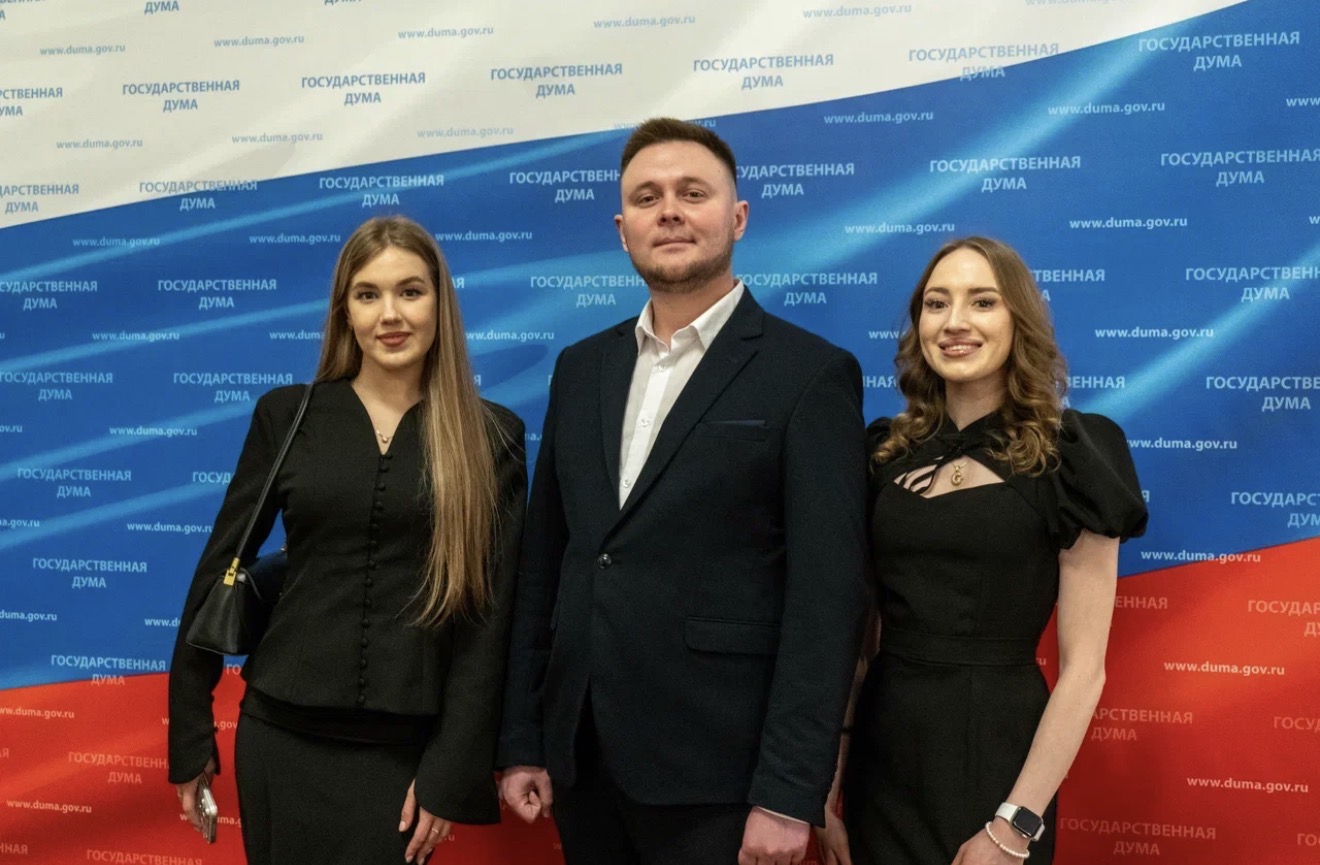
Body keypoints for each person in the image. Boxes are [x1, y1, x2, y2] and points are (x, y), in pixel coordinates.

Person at [497, 117, 871, 865]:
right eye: (647, 197)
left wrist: (788, 791)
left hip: (725, 779)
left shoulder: (809, 375)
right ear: (622, 230)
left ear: (738, 217)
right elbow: (546, 564)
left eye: (692, 193)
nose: (668, 211)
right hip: (584, 762)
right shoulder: (581, 368)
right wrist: (523, 737)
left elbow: (826, 601)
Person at [167, 215, 526, 865]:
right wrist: (191, 736)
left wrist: (451, 768)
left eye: (410, 291)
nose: (390, 314)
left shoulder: (491, 437)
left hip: (403, 755)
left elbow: (488, 621)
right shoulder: (287, 415)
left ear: (440, 303)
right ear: (345, 311)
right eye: (368, 294)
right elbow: (221, 568)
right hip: (280, 736)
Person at [815, 237, 1147, 865]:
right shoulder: (883, 453)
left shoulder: (1071, 456)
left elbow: (1084, 669)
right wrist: (830, 778)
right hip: (881, 758)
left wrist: (1015, 825)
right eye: (936, 303)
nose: (955, 322)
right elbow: (858, 639)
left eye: (983, 302)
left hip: (1000, 757)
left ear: (1019, 319)